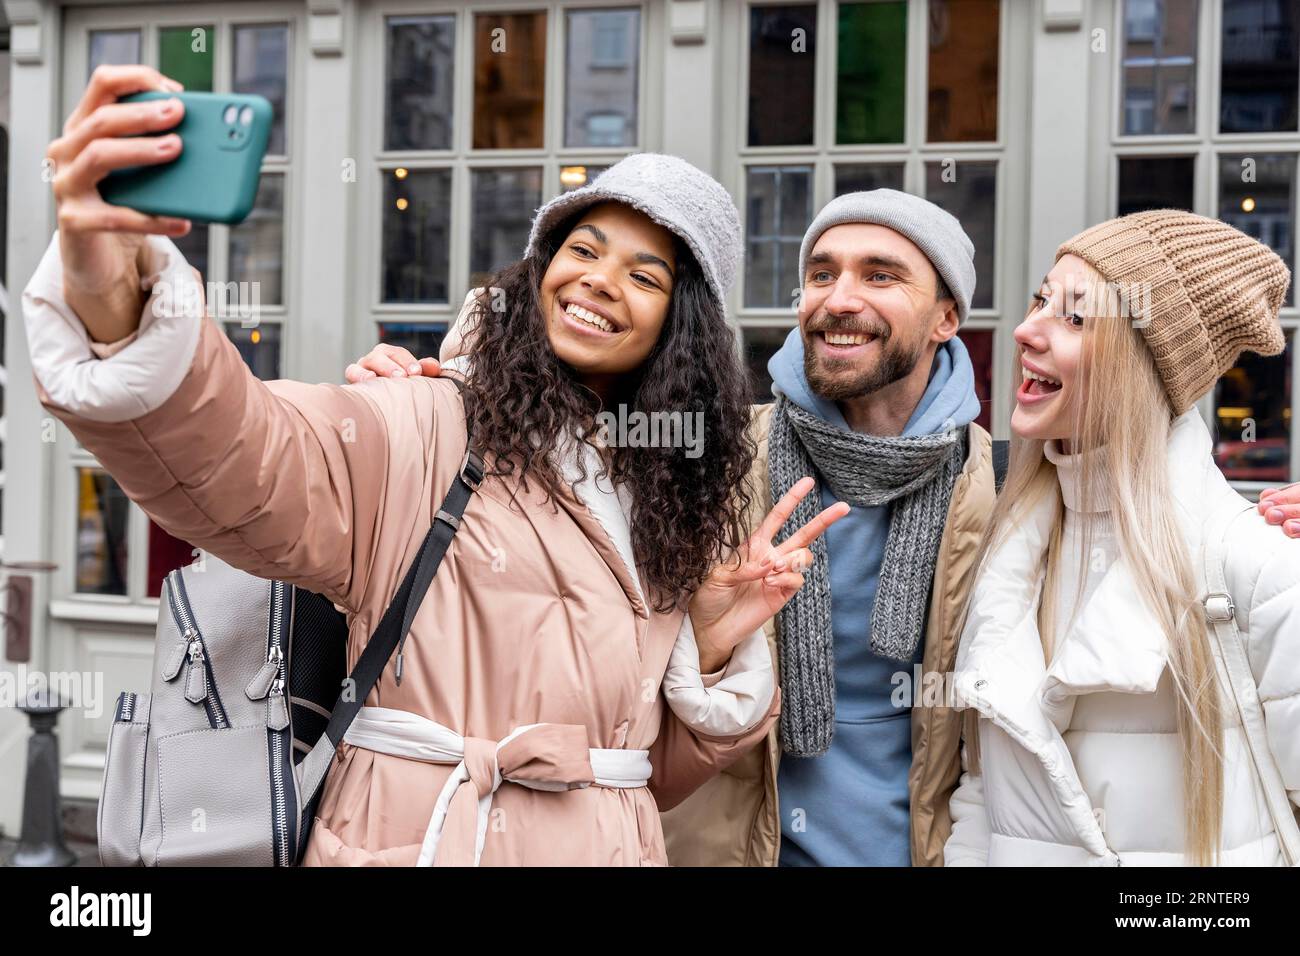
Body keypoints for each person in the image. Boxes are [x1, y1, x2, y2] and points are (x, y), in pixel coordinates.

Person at [25, 65, 852, 866]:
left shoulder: (666, 495)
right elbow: (244, 457)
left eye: (645, 275)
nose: (599, 283)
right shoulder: (427, 420)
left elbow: (638, 777)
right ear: (541, 265)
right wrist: (121, 295)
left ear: (684, 327)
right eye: (583, 249)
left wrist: (703, 647)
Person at [350, 189, 998, 866]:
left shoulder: (996, 486)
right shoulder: (702, 456)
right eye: (821, 274)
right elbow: (541, 467)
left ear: (946, 317)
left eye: (881, 275)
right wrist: (427, 401)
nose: (840, 298)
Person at [944, 210, 1300, 866]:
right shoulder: (1009, 551)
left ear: (1146, 363)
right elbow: (982, 793)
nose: (1026, 330)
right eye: (1041, 300)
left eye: (1075, 317)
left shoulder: (1255, 567)